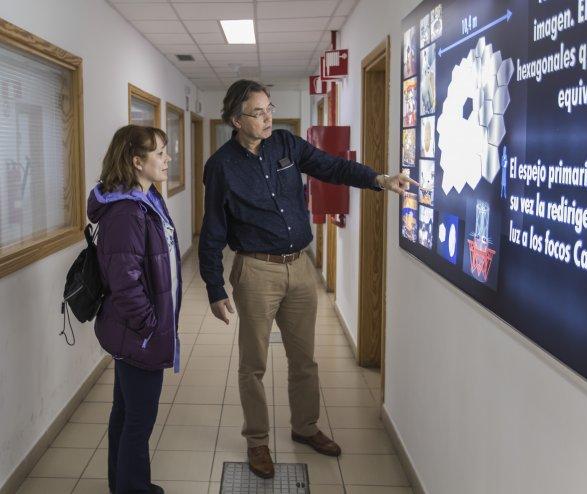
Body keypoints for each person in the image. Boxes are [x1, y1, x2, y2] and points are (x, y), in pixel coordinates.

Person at [199, 80, 416, 479]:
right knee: (254, 364)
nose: (268, 117)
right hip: (256, 269)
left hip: (299, 267)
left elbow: (331, 166)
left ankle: (305, 427)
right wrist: (214, 287)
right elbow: (212, 230)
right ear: (235, 120)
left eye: (269, 108)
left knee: (304, 359)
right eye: (258, 112)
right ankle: (258, 441)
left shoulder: (286, 144)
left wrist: (379, 179)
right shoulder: (221, 166)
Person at [87, 125, 182, 494]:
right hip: (138, 333)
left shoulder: (146, 199)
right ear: (136, 161)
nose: (167, 158)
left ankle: (122, 485)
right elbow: (124, 283)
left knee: (126, 413)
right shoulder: (127, 211)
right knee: (139, 419)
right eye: (160, 153)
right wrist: (149, 327)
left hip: (137, 331)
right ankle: (133, 489)